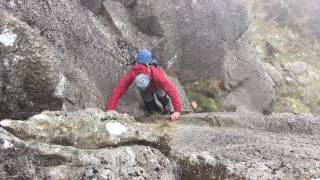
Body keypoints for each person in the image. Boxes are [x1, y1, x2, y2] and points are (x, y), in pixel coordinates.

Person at [105, 49, 181, 121]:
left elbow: (171, 89)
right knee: (147, 98)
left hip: (157, 85)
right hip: (146, 88)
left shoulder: (157, 75)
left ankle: (168, 109)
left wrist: (177, 110)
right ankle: (155, 110)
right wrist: (109, 109)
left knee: (160, 94)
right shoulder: (133, 72)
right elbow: (120, 89)